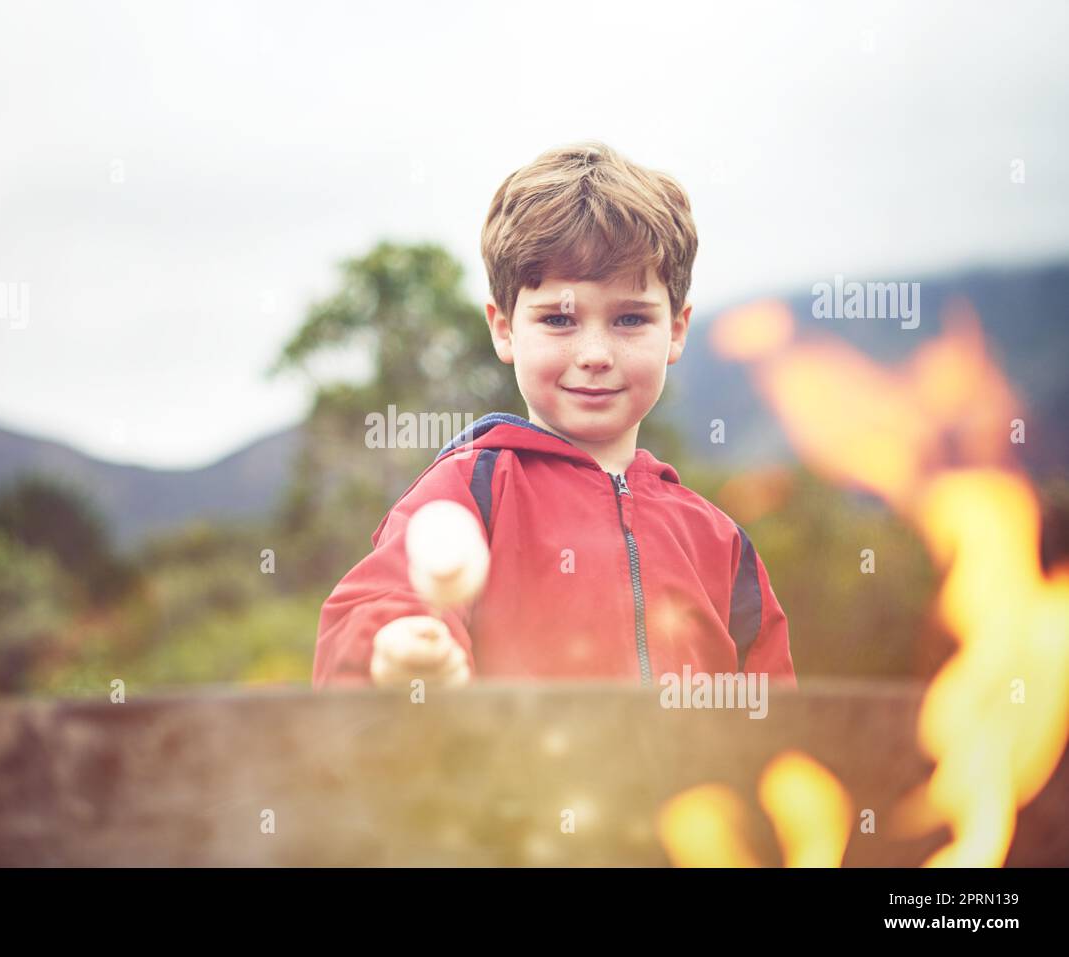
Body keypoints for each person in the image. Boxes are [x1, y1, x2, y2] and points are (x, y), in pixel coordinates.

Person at [312, 141, 795, 690]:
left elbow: (776, 716)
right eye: (559, 322)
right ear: (503, 328)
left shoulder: (719, 541)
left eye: (631, 319)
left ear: (677, 330)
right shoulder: (468, 492)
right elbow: (373, 610)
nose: (595, 353)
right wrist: (394, 647)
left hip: (687, 781)